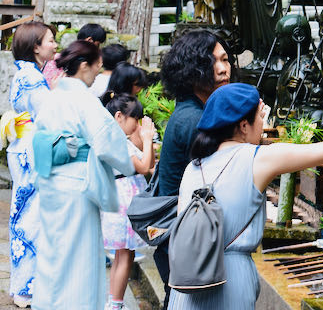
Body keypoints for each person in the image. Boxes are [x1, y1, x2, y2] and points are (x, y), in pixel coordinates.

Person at [166, 83, 323, 309]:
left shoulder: (194, 167)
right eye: (260, 118)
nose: (263, 125)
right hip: (227, 278)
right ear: (243, 126)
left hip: (188, 277)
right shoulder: (255, 158)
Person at [31, 41, 134, 310]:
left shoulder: (53, 96)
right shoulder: (82, 99)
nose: (98, 74)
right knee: (79, 257)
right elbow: (109, 141)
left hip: (51, 180)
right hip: (76, 186)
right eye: (97, 68)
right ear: (84, 66)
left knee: (53, 253)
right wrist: (131, 163)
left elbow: (39, 136)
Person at [154, 29, 233, 304]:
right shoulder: (193, 120)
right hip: (183, 242)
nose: (223, 69)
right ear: (193, 70)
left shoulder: (193, 111)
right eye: (213, 62)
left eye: (225, 59)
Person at [0, 21, 57, 308]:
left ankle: (25, 286)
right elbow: (48, 115)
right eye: (50, 40)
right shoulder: (32, 78)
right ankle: (26, 288)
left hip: (24, 147)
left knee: (25, 216)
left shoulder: (28, 73)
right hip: (32, 150)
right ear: (36, 46)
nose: (55, 45)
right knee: (31, 217)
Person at [100, 94, 156, 310]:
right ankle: (115, 304)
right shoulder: (117, 142)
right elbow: (144, 168)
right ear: (119, 116)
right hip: (124, 201)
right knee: (125, 256)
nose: (137, 125)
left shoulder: (118, 140)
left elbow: (148, 163)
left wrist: (145, 140)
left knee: (121, 255)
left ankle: (113, 302)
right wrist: (149, 138)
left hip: (123, 198)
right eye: (135, 118)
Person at [43, 22, 107, 88]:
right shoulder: (83, 62)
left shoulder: (60, 56)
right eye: (98, 44)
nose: (98, 49)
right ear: (90, 40)